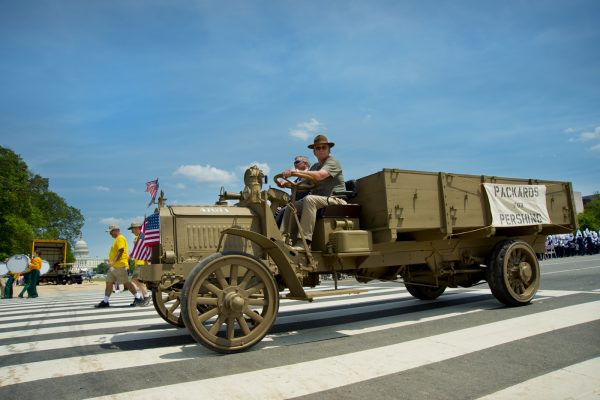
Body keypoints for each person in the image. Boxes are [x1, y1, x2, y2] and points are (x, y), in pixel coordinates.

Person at [279, 134, 346, 249]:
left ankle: (304, 242)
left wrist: (294, 172)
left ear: (329, 150)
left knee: (309, 199)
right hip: (322, 201)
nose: (320, 150)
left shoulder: (332, 161)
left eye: (323, 147)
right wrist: (288, 184)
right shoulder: (315, 166)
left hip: (337, 200)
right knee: (291, 206)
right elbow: (305, 185)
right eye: (317, 148)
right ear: (314, 152)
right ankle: (283, 239)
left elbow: (320, 176)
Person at [95, 225, 147, 308]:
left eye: (111, 232)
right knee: (108, 283)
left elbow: (121, 250)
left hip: (120, 265)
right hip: (114, 266)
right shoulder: (117, 239)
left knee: (126, 282)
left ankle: (138, 298)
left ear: (116, 230)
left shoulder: (120, 238)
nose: (110, 234)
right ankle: (105, 301)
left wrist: (113, 261)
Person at [275, 155, 311, 226]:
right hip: (295, 201)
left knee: (284, 210)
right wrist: (282, 183)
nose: (295, 164)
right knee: (277, 211)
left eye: (297, 162)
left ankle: (277, 234)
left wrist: (288, 184)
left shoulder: (310, 175)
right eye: (294, 163)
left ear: (305, 164)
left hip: (305, 201)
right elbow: (295, 185)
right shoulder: (298, 179)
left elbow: (305, 188)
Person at [128, 222, 151, 306]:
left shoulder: (141, 236)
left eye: (132, 229)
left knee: (135, 279)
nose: (131, 232)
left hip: (142, 262)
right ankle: (144, 297)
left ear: (138, 228)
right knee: (138, 280)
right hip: (139, 262)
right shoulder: (139, 237)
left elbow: (146, 249)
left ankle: (146, 296)